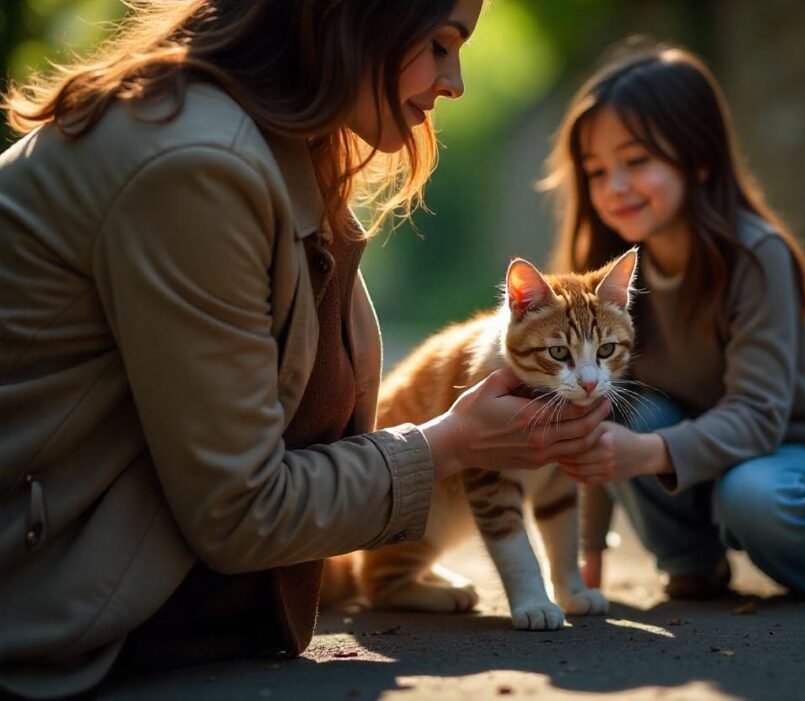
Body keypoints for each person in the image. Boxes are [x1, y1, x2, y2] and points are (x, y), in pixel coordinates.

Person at [0, 2, 611, 698]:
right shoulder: (196, 164)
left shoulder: (285, 145)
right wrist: (451, 443)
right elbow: (240, 507)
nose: (457, 82)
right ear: (350, 20)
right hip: (50, 610)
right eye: (441, 44)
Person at [543, 44, 805, 602]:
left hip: (792, 457)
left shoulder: (755, 256)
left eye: (637, 161)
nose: (614, 185)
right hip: (694, 464)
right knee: (626, 406)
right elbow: (595, 422)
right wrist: (588, 558)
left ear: (700, 159)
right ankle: (691, 561)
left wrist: (643, 454)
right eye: (596, 171)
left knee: (751, 495)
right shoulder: (609, 286)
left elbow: (760, 417)